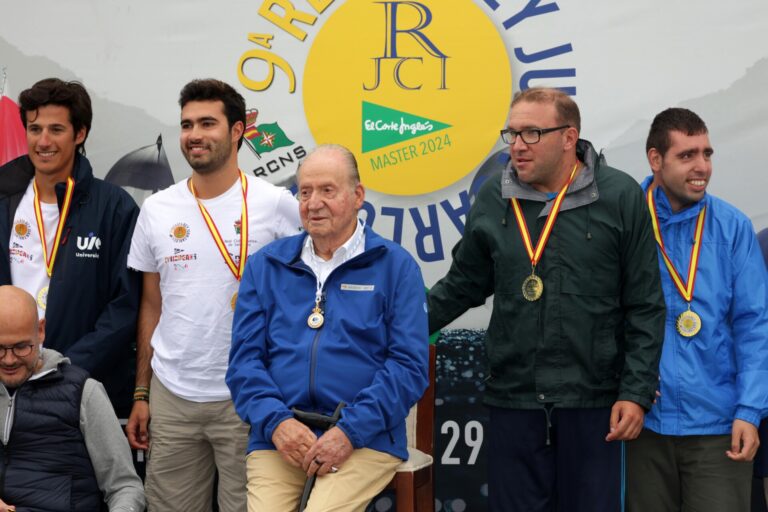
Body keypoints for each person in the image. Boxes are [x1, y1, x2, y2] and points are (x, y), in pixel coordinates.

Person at [427, 87, 666, 512]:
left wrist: (635, 391)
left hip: (594, 402)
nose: (517, 146)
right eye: (512, 134)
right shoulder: (492, 198)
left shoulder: (619, 196)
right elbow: (462, 285)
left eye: (531, 133)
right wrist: (396, 329)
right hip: (514, 400)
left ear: (569, 137)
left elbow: (645, 304)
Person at [125, 78, 301, 511]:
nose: (194, 135)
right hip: (173, 395)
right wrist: (142, 393)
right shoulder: (157, 209)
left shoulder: (276, 204)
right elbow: (152, 303)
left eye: (208, 123)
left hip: (250, 394)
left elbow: (305, 293)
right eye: (187, 125)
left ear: (237, 131)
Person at [226, 144, 429, 512]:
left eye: (327, 190)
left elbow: (408, 367)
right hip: (280, 438)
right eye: (304, 192)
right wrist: (277, 424)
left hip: (364, 439)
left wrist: (349, 432)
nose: (313, 203)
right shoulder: (266, 266)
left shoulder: (395, 266)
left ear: (358, 196)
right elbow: (244, 364)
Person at [626, 108, 768, 512]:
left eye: (707, 154)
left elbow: (754, 324)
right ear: (656, 160)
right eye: (687, 155)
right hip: (642, 426)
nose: (702, 166)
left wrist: (749, 410)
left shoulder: (732, 226)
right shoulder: (625, 220)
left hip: (718, 429)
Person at [0, 78, 140, 418]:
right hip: (6, 378)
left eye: (56, 129)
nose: (43, 141)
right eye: (35, 129)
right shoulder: (4, 200)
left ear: (80, 134)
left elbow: (125, 307)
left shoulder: (114, 207)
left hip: (79, 389)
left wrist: (65, 368)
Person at [0, 285, 144, 512]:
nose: (8, 360)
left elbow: (125, 487)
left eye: (20, 347)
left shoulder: (84, 392)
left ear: (41, 331)